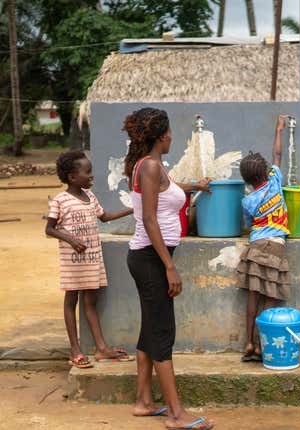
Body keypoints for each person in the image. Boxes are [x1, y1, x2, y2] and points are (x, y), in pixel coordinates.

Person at [123, 108, 213, 429]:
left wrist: (196, 186)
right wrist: (169, 267)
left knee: (151, 329)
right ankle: (176, 414)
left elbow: (167, 194)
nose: (173, 137)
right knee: (162, 333)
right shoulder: (149, 166)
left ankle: (144, 402)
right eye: (170, 132)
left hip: (150, 258)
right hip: (151, 259)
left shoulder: (153, 166)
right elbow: (149, 219)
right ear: (161, 135)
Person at [46, 150, 134, 369]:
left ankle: (102, 349)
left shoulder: (90, 197)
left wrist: (133, 210)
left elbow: (104, 217)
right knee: (71, 302)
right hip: (73, 263)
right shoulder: (60, 200)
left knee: (90, 303)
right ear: (72, 177)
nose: (92, 176)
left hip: (92, 260)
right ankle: (75, 350)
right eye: (88, 172)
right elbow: (49, 229)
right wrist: (71, 240)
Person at [236, 115, 291, 362]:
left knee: (252, 294)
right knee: (269, 295)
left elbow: (248, 225)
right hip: (275, 246)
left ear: (246, 180)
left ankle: (247, 342)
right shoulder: (276, 180)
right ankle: (260, 344)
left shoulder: (247, 200)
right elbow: (278, 156)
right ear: (267, 171)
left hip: (256, 245)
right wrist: (279, 129)